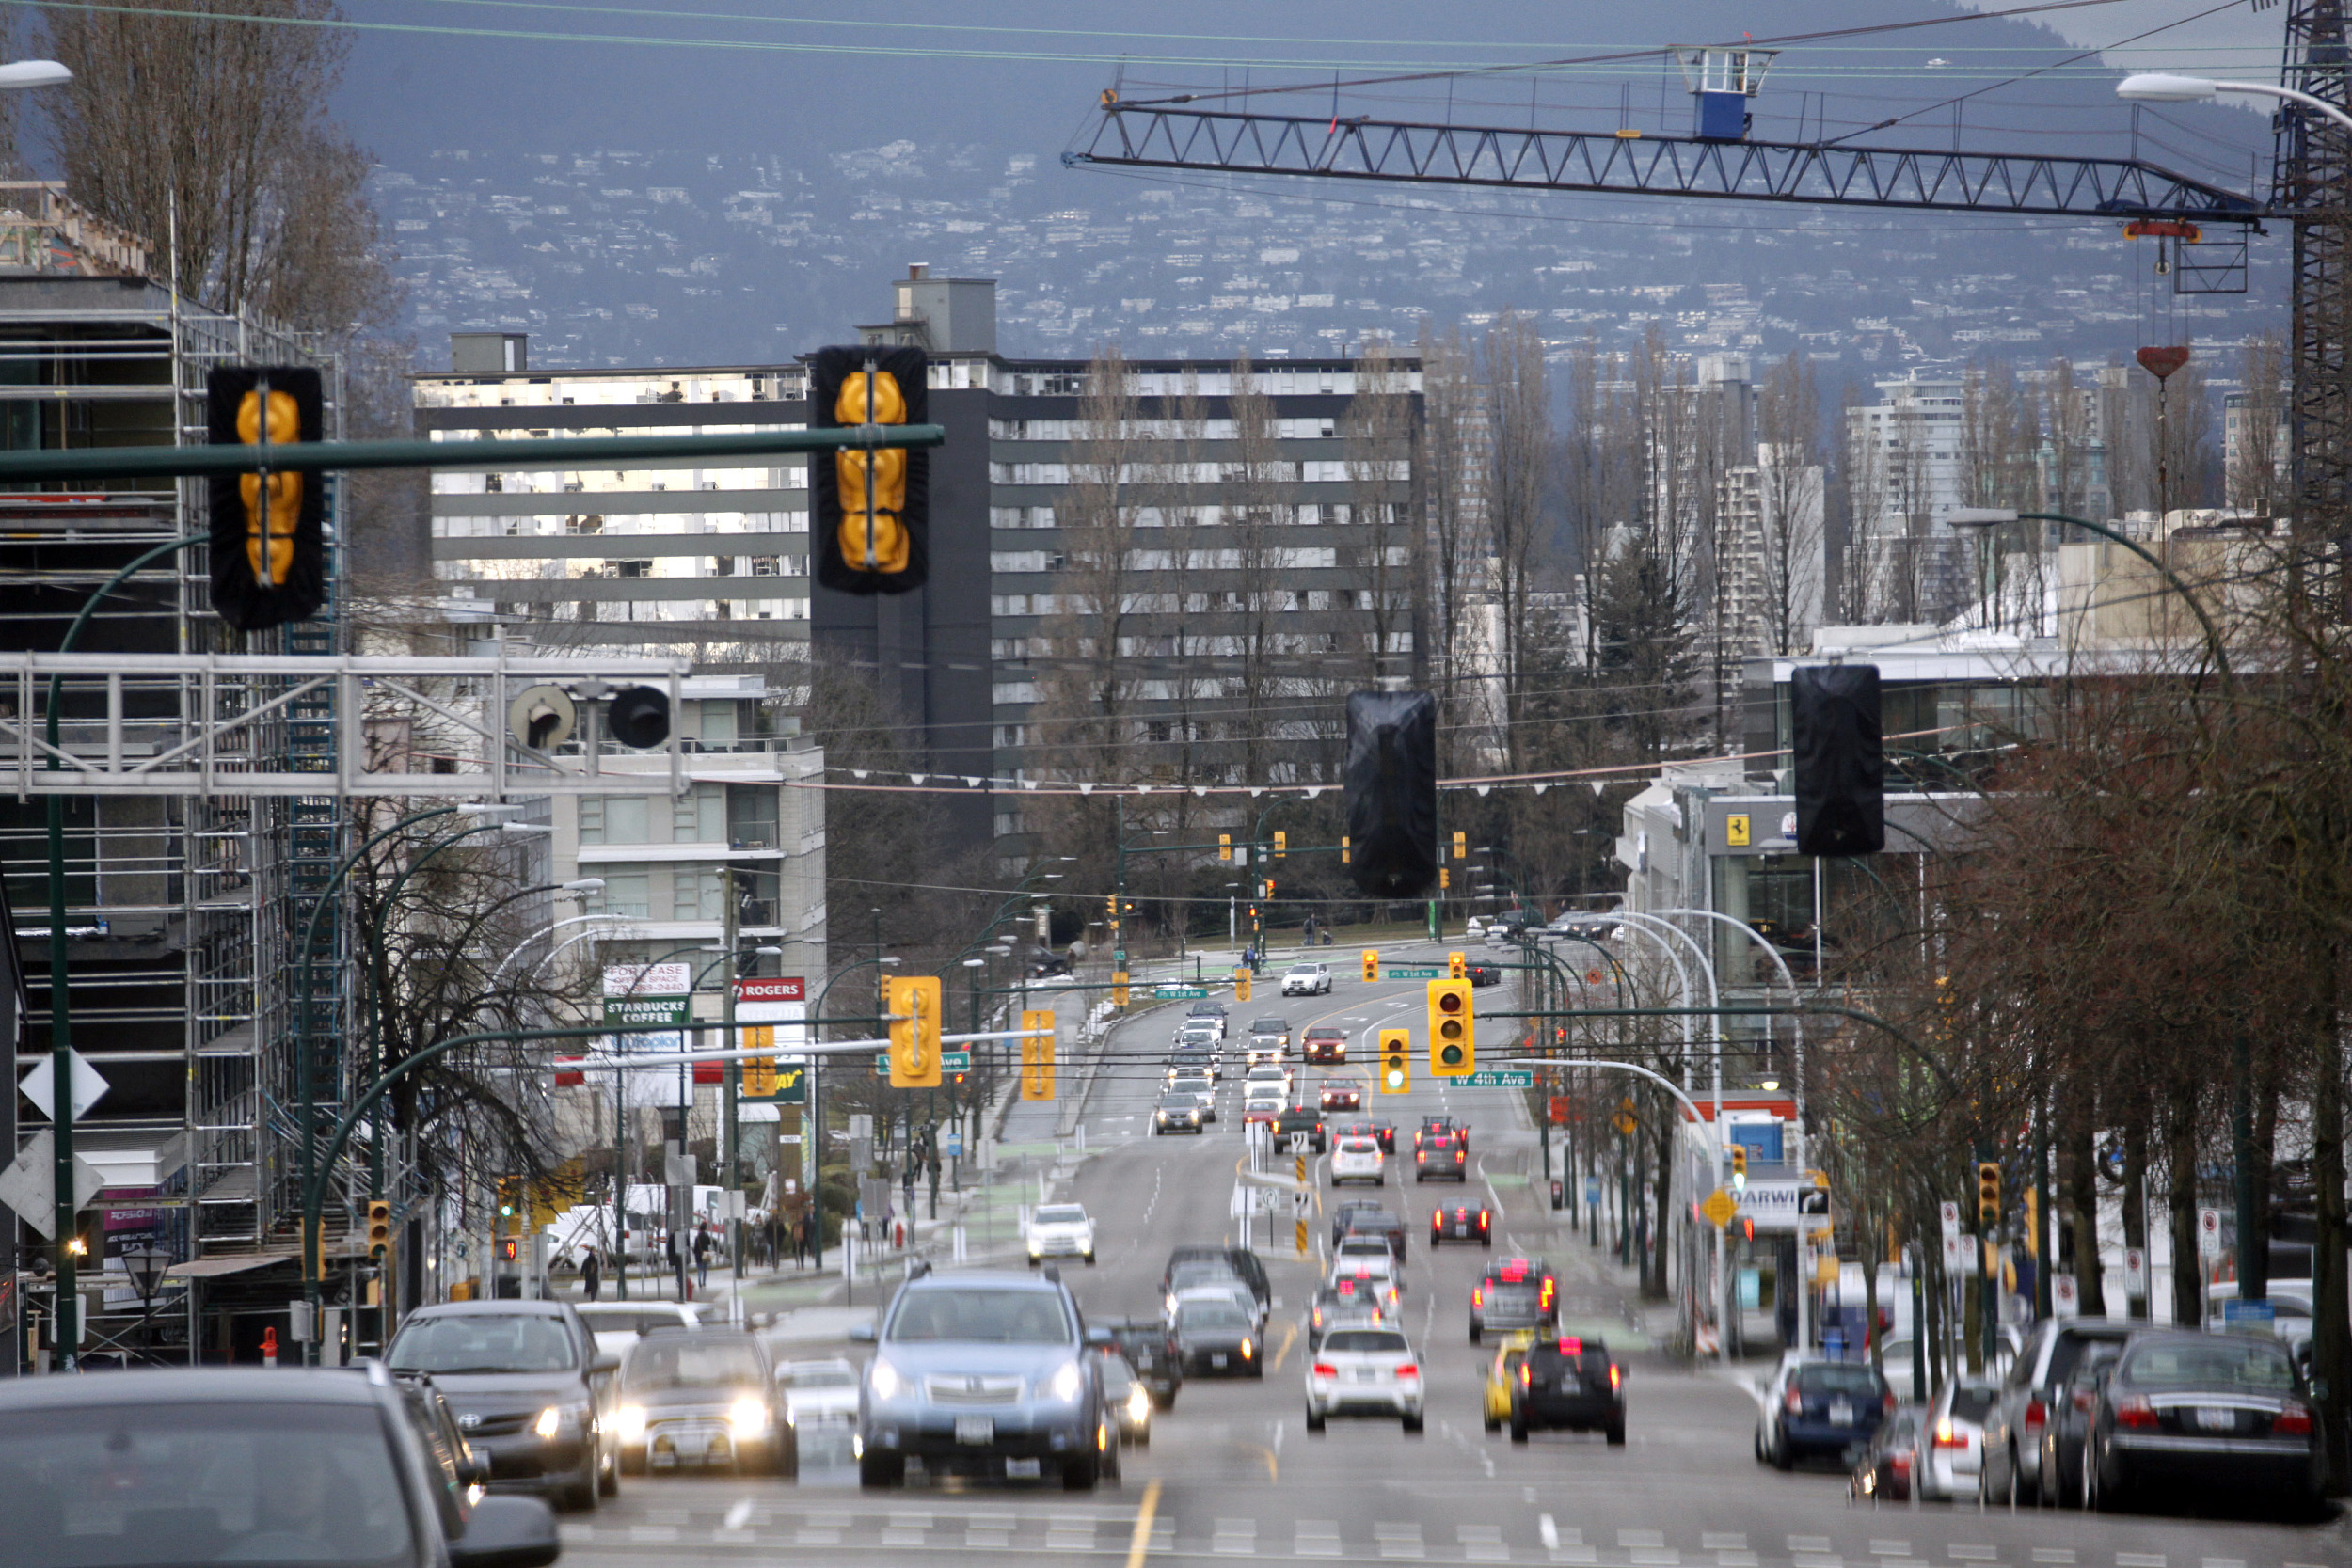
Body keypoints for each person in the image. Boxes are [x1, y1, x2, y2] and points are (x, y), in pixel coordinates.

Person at [692, 1225, 713, 1289]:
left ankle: (699, 1281)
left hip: (698, 1255)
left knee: (699, 1269)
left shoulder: (697, 1237)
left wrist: (695, 1252)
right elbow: (709, 1244)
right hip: (705, 1254)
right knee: (704, 1269)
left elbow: (695, 1247)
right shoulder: (706, 1236)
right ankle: (704, 1282)